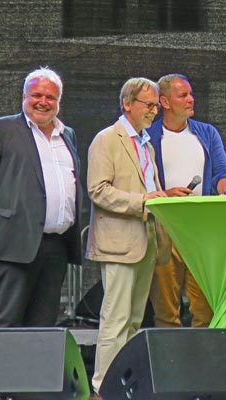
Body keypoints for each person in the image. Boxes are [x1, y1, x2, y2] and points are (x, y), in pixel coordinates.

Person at [0, 67, 82, 327]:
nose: (43, 102)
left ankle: (34, 371)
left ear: (59, 101)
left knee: (43, 326)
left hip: (56, 246)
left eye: (51, 97)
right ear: (23, 96)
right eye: (36, 95)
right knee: (7, 323)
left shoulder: (66, 135)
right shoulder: (1, 129)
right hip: (13, 244)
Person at [86, 77, 167, 394]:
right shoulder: (107, 139)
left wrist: (163, 194)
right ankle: (103, 388)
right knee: (116, 320)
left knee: (134, 321)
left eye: (157, 105)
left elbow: (146, 189)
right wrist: (145, 202)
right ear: (127, 104)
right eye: (149, 105)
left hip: (146, 240)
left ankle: (126, 384)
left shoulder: (145, 141)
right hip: (119, 243)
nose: (154, 111)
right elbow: (98, 190)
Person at [147, 73, 226, 328]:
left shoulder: (207, 133)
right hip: (165, 228)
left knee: (205, 310)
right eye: (183, 95)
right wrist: (166, 194)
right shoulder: (149, 135)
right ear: (164, 101)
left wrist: (225, 193)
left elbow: (223, 171)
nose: (190, 99)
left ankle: (202, 365)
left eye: (191, 94)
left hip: (202, 229)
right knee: (165, 311)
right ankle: (170, 366)